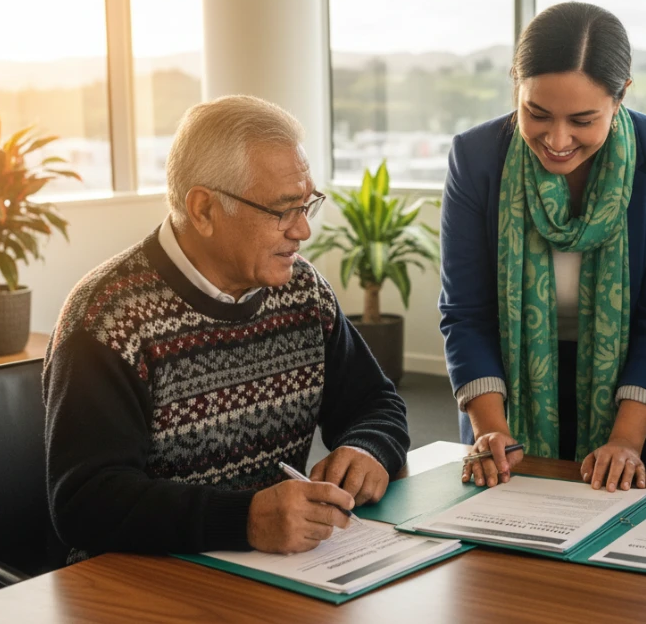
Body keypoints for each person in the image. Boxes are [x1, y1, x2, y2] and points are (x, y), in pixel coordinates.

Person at [43, 95, 410, 560]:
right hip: (144, 584)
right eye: (282, 211)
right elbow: (86, 503)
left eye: (306, 204)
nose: (303, 231)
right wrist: (245, 519)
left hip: (273, 571)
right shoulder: (108, 320)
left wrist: (368, 448)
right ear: (204, 210)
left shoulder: (302, 291)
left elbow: (376, 403)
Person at [439, 2, 646, 493]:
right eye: (536, 114)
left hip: (634, 394)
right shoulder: (476, 158)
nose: (557, 140)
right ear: (515, 81)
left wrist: (626, 440)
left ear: (621, 95)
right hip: (507, 392)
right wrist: (490, 428)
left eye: (583, 120)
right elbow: (466, 312)